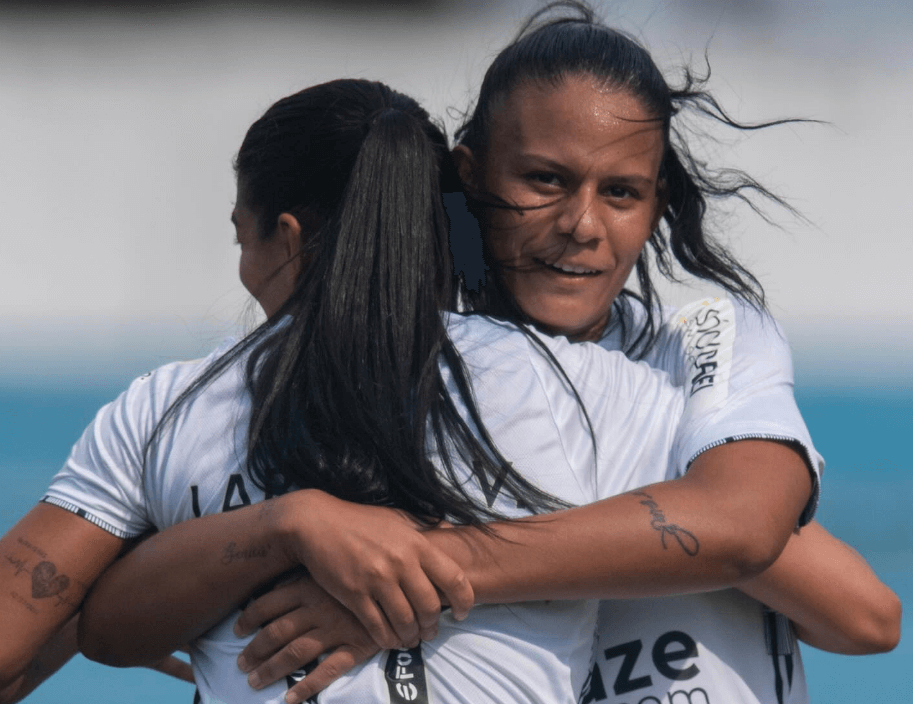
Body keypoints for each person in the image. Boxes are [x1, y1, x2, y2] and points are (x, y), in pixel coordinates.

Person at [76, 7, 896, 704]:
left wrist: (413, 576)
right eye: (543, 179)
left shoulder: (693, 344)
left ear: (655, 207)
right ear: (469, 176)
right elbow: (104, 620)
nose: (581, 223)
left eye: (621, 192)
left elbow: (856, 612)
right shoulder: (395, 373)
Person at [5, 77, 696, 704]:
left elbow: (31, 646)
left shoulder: (166, 408)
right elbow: (744, 537)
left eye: (240, 237)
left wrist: (270, 535)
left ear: (285, 237)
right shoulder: (577, 383)